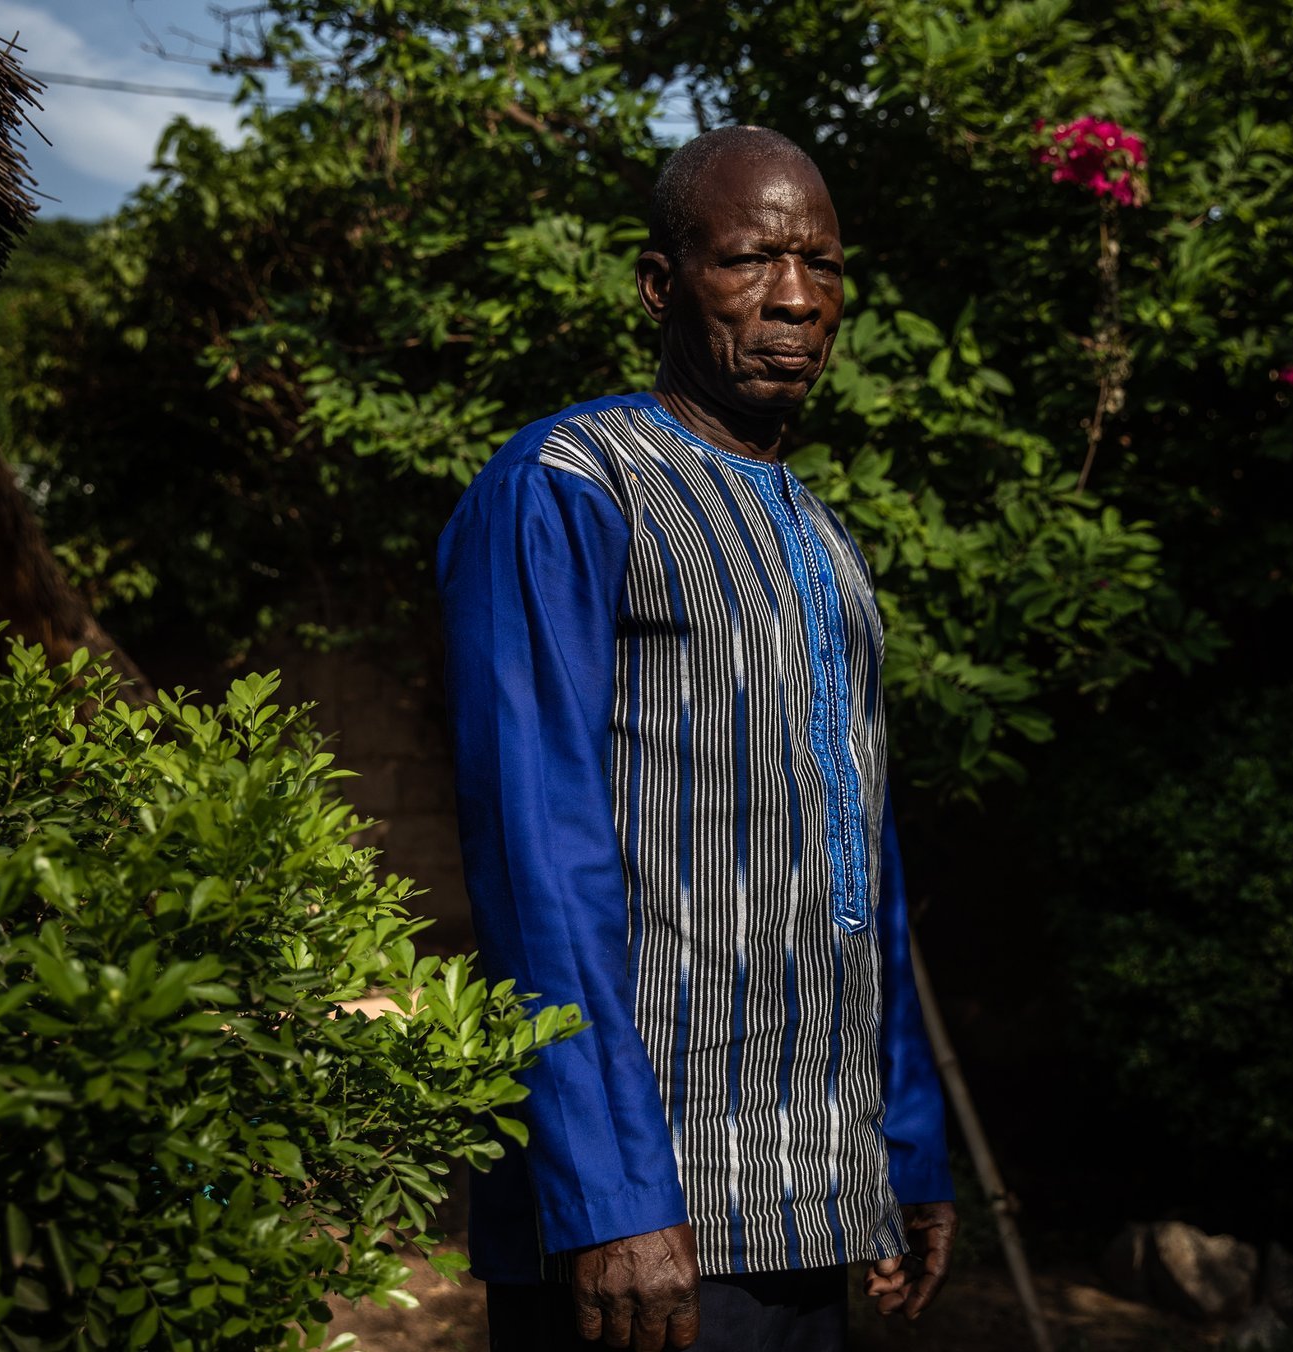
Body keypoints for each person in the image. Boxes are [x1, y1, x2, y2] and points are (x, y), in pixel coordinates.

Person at [439, 126, 956, 1352]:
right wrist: (610, 1191)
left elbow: (863, 856)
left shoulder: (823, 534)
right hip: (648, 1214)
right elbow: (535, 855)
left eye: (822, 264)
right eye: (750, 259)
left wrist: (904, 1140)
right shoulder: (570, 483)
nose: (795, 297)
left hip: (813, 1188)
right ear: (660, 284)